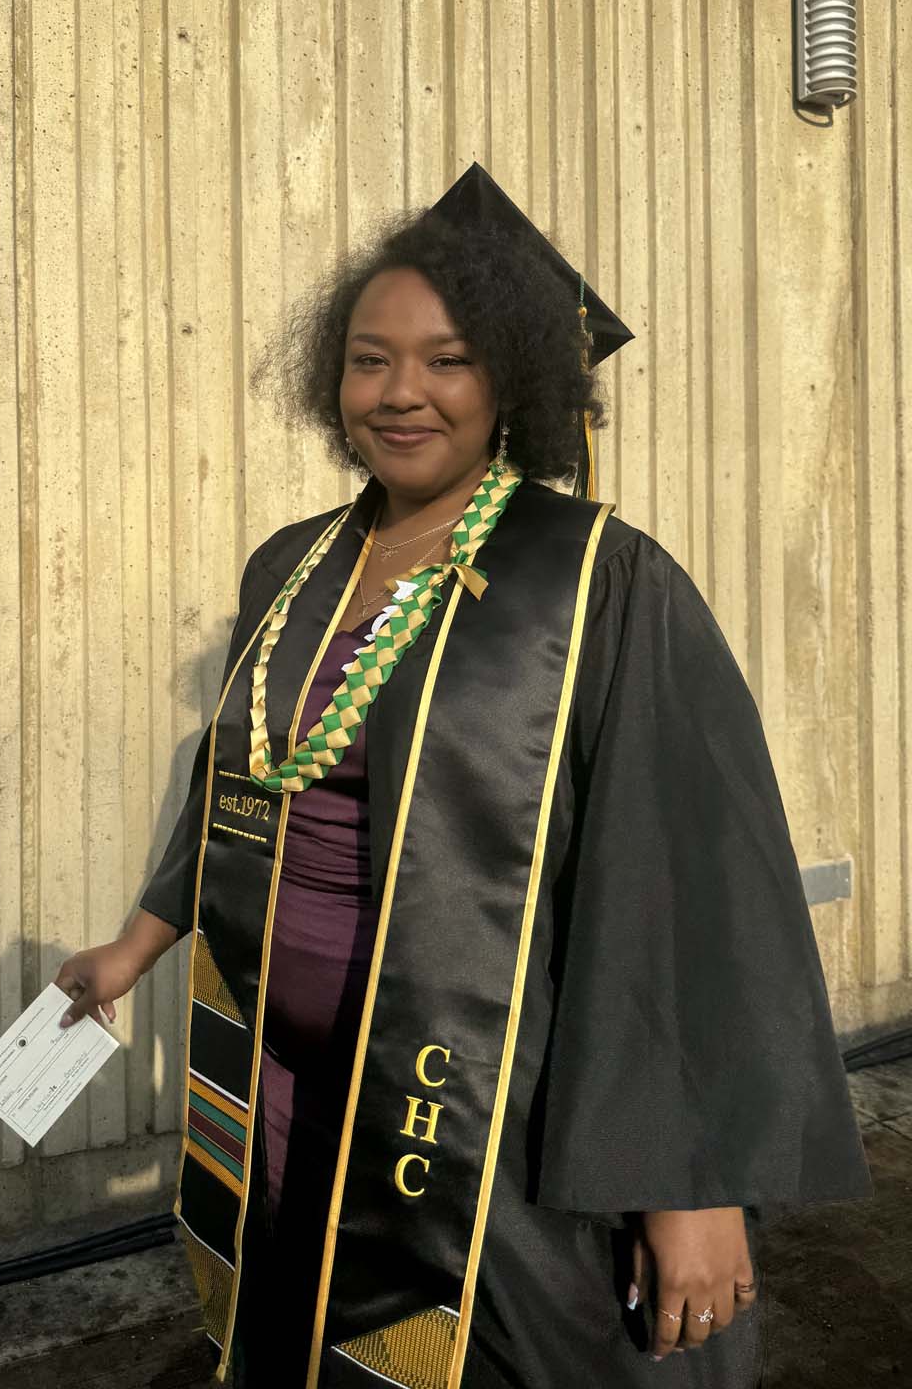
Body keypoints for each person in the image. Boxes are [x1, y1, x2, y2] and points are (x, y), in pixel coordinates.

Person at [56, 164, 869, 1388]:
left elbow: (686, 886)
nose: (402, 393)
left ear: (514, 381)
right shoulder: (293, 566)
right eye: (370, 359)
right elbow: (242, 787)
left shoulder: (596, 580)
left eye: (447, 359)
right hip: (285, 1083)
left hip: (490, 1100)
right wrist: (135, 944)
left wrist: (690, 1181)